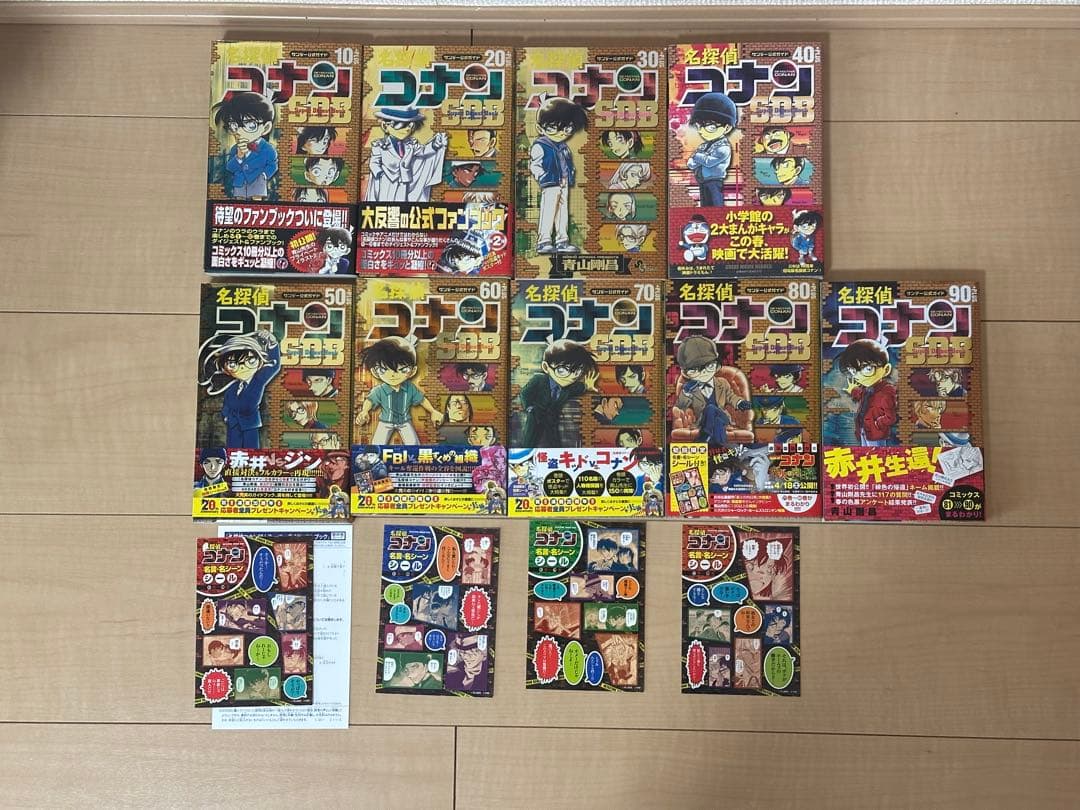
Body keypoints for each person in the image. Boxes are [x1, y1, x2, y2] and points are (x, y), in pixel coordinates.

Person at [198, 329, 281, 448]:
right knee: (233, 451)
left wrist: (272, 343)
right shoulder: (232, 387)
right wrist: (226, 417)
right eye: (232, 364)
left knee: (251, 452)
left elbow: (274, 366)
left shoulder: (258, 381)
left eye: (250, 361)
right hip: (233, 424)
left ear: (259, 361)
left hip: (250, 425)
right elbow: (227, 404)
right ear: (225, 368)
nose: (242, 368)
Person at [356, 336, 444, 444]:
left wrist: (433, 411)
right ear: (375, 372)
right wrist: (364, 411)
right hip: (385, 422)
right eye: (383, 370)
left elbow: (421, 400)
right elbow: (370, 400)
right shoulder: (380, 390)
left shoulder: (410, 388)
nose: (393, 375)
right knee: (377, 444)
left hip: (404, 422)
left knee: (413, 444)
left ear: (412, 371)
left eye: (403, 369)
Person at [530, 96, 588, 255]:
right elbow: (535, 165)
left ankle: (562, 241)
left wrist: (570, 175)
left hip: (563, 182)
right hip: (550, 183)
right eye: (553, 128)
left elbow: (567, 163)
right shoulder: (541, 145)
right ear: (540, 128)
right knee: (548, 211)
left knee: (562, 212)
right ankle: (544, 241)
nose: (562, 132)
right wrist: (542, 177)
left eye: (567, 128)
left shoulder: (563, 146)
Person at [518, 339, 599, 447]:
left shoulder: (568, 388)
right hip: (536, 417)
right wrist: (529, 408)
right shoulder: (539, 380)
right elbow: (524, 393)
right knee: (529, 442)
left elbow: (579, 388)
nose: (571, 376)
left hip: (552, 420)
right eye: (562, 370)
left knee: (554, 443)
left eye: (577, 371)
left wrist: (587, 386)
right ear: (546, 367)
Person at [673, 336, 752, 445]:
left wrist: (739, 403)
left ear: (716, 365)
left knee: (711, 409)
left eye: (709, 366)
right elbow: (681, 406)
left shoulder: (722, 383)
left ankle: (705, 435)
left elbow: (731, 397)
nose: (704, 372)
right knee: (717, 423)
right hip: (703, 422)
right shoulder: (690, 388)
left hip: (723, 417)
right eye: (696, 370)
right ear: (687, 373)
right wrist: (686, 392)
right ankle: (722, 448)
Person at [365, 107, 448, 202]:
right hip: (386, 181)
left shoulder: (410, 144)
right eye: (402, 125)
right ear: (385, 126)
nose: (407, 129)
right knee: (386, 202)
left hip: (404, 181)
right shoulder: (380, 145)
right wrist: (381, 175)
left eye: (410, 125)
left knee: (401, 202)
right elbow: (374, 163)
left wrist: (435, 145)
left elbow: (422, 152)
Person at [212, 91, 277, 200]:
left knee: (256, 202)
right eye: (234, 125)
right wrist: (239, 157)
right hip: (240, 182)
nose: (239, 131)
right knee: (240, 202)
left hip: (258, 182)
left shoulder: (267, 149)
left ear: (266, 128)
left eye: (250, 125)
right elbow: (230, 168)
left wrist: (263, 176)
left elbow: (273, 165)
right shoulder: (235, 149)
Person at [835, 339, 897, 446]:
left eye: (868, 369)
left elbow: (891, 417)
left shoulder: (886, 392)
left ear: (886, 370)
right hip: (863, 430)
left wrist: (877, 424)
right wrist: (853, 390)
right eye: (853, 371)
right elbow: (864, 397)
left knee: (876, 454)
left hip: (875, 433)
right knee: (866, 453)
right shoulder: (867, 388)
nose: (858, 376)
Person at [686, 92, 737, 207]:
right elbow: (691, 164)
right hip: (703, 180)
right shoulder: (704, 146)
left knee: (715, 204)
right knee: (705, 204)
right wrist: (697, 158)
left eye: (710, 127)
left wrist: (696, 156)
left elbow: (708, 162)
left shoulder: (723, 148)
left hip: (714, 181)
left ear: (727, 128)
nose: (701, 131)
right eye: (699, 126)